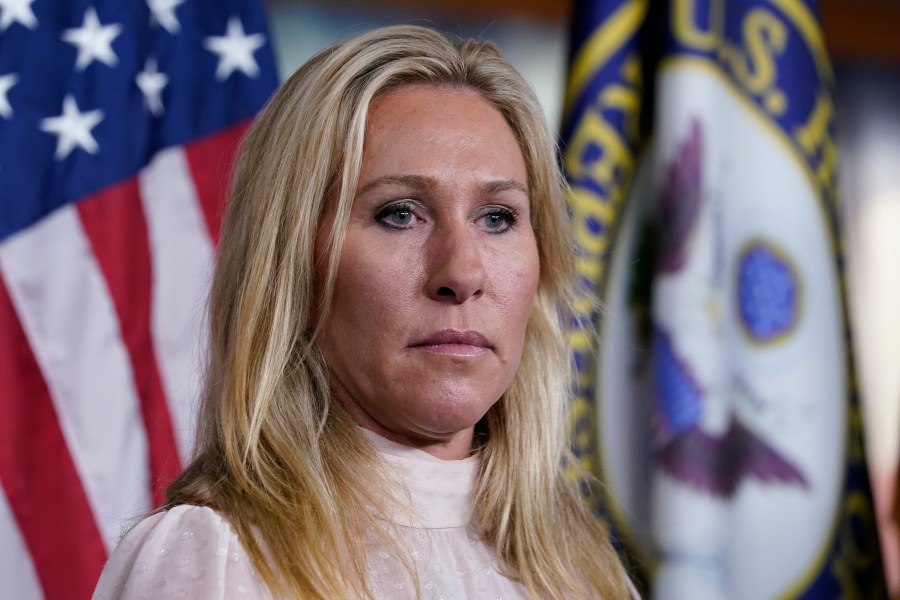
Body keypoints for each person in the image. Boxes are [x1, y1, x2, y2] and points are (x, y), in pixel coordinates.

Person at [93, 24, 635, 599]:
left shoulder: (583, 569)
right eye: (400, 214)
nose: (462, 272)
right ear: (294, 264)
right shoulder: (217, 557)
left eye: (497, 217)